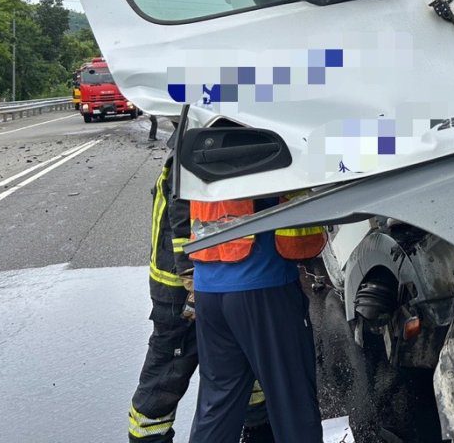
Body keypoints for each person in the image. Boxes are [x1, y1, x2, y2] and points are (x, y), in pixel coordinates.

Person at [128, 155, 273, 443]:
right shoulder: (190, 154)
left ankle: (258, 431)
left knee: (242, 370)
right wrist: (193, 283)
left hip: (213, 283)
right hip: (180, 293)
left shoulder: (195, 146)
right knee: (165, 379)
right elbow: (184, 222)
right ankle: (148, 437)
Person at [188, 194, 326, 443]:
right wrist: (388, 152)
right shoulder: (263, 152)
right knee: (292, 403)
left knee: (217, 406)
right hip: (263, 284)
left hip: (208, 284)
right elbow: (331, 161)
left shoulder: (197, 153)